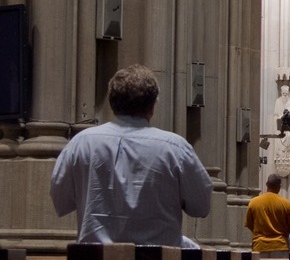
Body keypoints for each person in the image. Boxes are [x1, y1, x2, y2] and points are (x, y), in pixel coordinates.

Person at [50, 64, 213, 247]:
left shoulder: (81, 143)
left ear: (112, 103)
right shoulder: (175, 148)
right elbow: (201, 206)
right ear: (152, 106)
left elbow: (61, 199)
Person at [243, 173, 290, 254]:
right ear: (279, 187)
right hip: (280, 245)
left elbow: (249, 224)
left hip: (259, 245)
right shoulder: (286, 203)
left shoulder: (254, 202)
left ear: (267, 184)